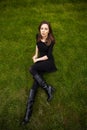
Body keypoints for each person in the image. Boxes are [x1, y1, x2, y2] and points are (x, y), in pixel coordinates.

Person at [22, 21, 57, 125]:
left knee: (32, 69)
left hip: (48, 62)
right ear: (39, 29)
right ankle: (27, 116)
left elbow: (48, 56)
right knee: (35, 84)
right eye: (42, 28)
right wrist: (35, 55)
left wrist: (37, 60)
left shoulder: (52, 41)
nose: (43, 31)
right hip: (40, 60)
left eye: (46, 29)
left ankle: (47, 88)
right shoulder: (38, 36)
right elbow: (37, 45)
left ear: (49, 30)